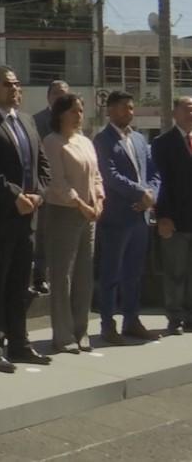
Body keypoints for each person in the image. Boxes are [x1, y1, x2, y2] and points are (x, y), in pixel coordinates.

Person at [0, 65, 51, 372]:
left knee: (19, 284)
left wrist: (39, 194)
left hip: (27, 219)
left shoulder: (27, 122)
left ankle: (20, 343)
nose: (15, 89)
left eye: (17, 84)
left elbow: (43, 165)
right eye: (8, 85)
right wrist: (16, 196)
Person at [94, 90, 160, 344]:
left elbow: (154, 172)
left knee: (134, 273)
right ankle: (107, 325)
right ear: (110, 110)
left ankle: (131, 320)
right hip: (117, 217)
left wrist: (151, 193)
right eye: (123, 108)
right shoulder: (103, 140)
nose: (128, 112)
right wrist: (139, 193)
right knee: (111, 273)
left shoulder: (141, 140)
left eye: (131, 108)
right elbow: (109, 175)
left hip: (140, 218)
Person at [41, 93, 103, 354]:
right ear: (60, 113)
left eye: (81, 110)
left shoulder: (85, 141)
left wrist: (99, 200)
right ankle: (63, 335)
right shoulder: (53, 142)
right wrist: (81, 204)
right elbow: (57, 181)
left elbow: (97, 175)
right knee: (62, 276)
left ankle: (81, 329)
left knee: (84, 275)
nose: (79, 115)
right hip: (64, 212)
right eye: (74, 111)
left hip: (89, 215)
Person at [151, 97, 192, 336]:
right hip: (173, 220)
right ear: (175, 112)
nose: (190, 114)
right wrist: (162, 216)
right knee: (175, 271)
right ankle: (175, 316)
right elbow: (159, 182)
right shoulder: (162, 143)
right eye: (186, 109)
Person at [30, 79, 69, 294]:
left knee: (62, 237)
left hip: (69, 191)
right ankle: (39, 277)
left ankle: (60, 276)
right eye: (56, 93)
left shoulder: (72, 120)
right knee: (43, 237)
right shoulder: (36, 121)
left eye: (64, 94)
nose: (60, 97)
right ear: (48, 97)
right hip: (46, 187)